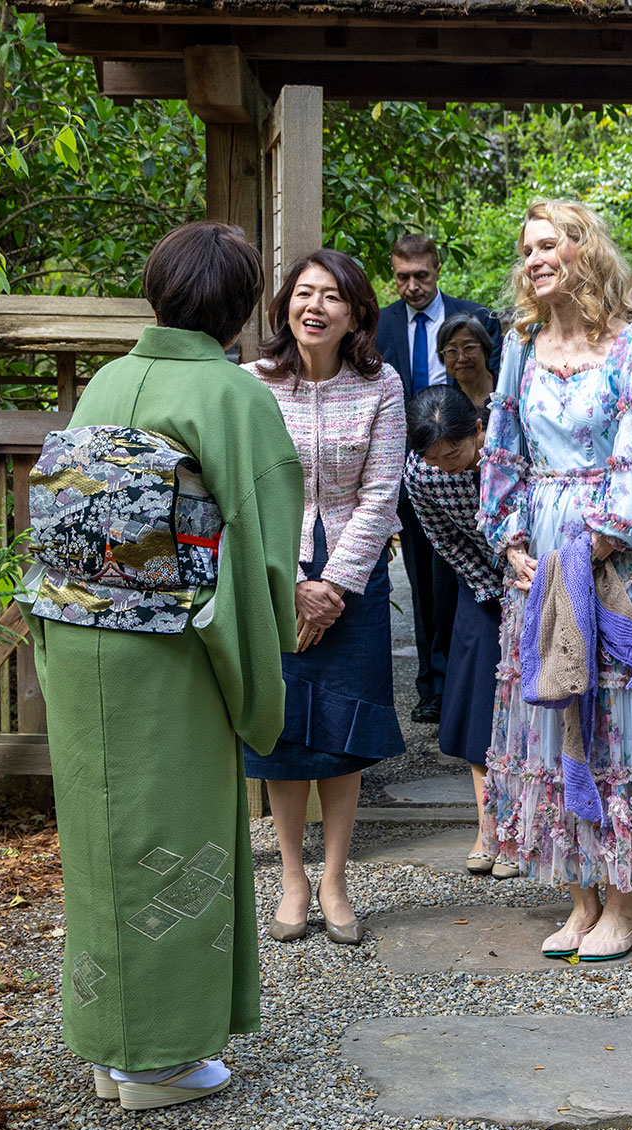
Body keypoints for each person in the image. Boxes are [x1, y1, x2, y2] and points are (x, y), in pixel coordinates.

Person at [22, 221, 303, 1110]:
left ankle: (111, 1042)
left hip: (76, 638)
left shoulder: (108, 379)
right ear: (243, 305)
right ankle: (159, 1059)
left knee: (105, 840)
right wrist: (263, 676)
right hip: (171, 647)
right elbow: (260, 557)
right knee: (171, 842)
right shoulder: (235, 398)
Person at [480, 199, 632, 963]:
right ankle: (578, 898)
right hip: (542, 551)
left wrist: (600, 543)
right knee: (553, 708)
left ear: (585, 251)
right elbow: (501, 447)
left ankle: (623, 900)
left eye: (549, 244)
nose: (534, 259)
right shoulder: (519, 345)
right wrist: (510, 538)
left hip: (615, 555)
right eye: (527, 249)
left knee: (617, 716)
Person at [245, 248, 407, 946]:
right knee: (284, 732)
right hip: (273, 576)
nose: (314, 306)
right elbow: (241, 489)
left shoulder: (383, 385)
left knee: (343, 734)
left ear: (355, 315)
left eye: (331, 297)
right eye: (303, 293)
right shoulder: (252, 384)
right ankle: (291, 876)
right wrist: (291, 585)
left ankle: (336, 876)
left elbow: (380, 492)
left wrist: (334, 585)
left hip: (355, 576)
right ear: (285, 306)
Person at [378, 233, 502, 724]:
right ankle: (432, 685)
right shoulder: (379, 325)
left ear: (437, 270)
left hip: (472, 457)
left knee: (466, 578)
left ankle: (475, 679)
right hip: (415, 470)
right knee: (426, 582)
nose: (412, 286)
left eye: (421, 276)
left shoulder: (477, 317)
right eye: (402, 277)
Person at [404, 382, 519, 880]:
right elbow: (442, 539)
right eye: (434, 457)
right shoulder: (422, 474)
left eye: (453, 453)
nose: (446, 464)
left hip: (542, 576)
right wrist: (488, 588)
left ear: (478, 430)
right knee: (478, 705)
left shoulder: (514, 453)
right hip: (482, 585)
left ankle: (523, 828)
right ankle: (487, 825)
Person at [435, 311, 496, 409]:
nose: (461, 358)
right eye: (452, 351)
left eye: (469, 348)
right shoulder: (444, 405)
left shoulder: (507, 389)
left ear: (485, 348)